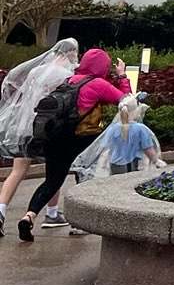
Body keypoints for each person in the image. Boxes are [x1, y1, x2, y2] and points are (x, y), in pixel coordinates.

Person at [19, 47, 130, 241]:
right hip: (84, 139)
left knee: (52, 181)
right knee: (84, 179)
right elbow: (127, 102)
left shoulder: (67, 81)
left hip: (56, 138)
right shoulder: (98, 84)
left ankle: (29, 216)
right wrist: (122, 76)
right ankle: (79, 224)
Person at [0, 39, 79, 235]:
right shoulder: (66, 75)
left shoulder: (37, 71)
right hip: (49, 129)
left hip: (26, 126)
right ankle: (51, 213)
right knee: (54, 172)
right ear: (71, 54)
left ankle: (1, 210)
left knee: (18, 170)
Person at [74, 92, 165, 180]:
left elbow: (104, 149)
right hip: (133, 164)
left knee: (117, 184)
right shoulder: (141, 129)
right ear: (135, 111)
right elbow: (148, 149)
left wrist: (101, 165)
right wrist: (156, 161)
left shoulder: (113, 128)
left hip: (115, 165)